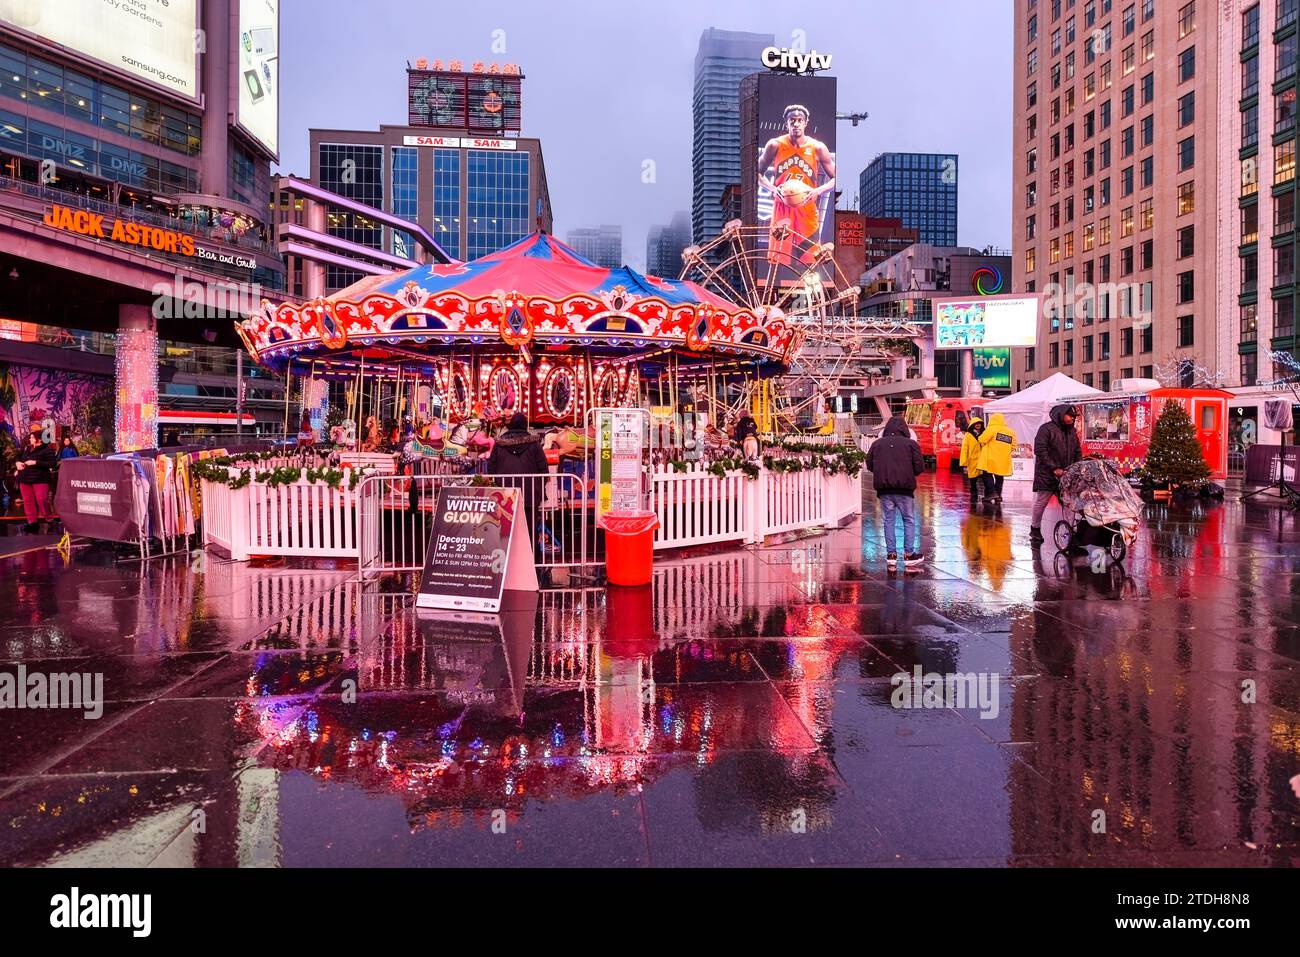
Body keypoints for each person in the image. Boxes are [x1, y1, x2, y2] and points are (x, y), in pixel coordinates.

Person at [757, 104, 836, 265]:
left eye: (800, 120)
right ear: (786, 122)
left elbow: (836, 177)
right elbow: (755, 173)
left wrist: (818, 191)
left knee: (811, 259)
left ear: (806, 122)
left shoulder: (817, 147)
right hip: (782, 204)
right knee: (777, 260)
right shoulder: (775, 144)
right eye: (792, 120)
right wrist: (771, 188)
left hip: (806, 204)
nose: (796, 124)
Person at [864, 416, 926, 571]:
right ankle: (909, 554)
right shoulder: (911, 444)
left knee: (888, 521)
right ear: (905, 429)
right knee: (909, 520)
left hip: (885, 490)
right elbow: (919, 467)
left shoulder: (877, 444)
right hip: (905, 489)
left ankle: (891, 555)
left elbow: (869, 464)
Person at [1029, 404, 1083, 544]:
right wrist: (1054, 468)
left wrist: (1078, 467)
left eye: (1074, 417)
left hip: (1066, 474)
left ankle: (1071, 532)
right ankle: (1035, 529)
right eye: (1070, 416)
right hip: (1047, 474)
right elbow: (1040, 450)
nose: (1072, 419)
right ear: (1061, 414)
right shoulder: (1046, 429)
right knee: (1041, 502)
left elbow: (1077, 450)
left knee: (1069, 504)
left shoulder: (1072, 432)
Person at [14, 430, 57, 532]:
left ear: (40, 440)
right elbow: (17, 457)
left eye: (32, 437)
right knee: (28, 501)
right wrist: (17, 463)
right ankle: (32, 522)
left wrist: (35, 462)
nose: (30, 439)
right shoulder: (26, 448)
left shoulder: (47, 450)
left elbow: (52, 463)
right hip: (24, 478)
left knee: (42, 499)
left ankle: (49, 519)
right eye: (30, 437)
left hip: (40, 479)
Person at [978, 412, 1017, 505]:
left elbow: (982, 439)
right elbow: (1014, 445)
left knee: (986, 474)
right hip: (1003, 459)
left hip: (990, 457)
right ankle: (998, 495)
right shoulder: (1010, 431)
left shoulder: (992, 428)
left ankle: (991, 493)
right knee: (999, 476)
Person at [959, 417, 988, 507]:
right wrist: (964, 462)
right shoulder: (968, 435)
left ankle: (987, 494)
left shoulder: (985, 433)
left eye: (979, 423)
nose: (978, 425)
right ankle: (974, 493)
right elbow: (964, 449)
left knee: (985, 478)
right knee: (973, 479)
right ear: (973, 425)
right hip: (973, 461)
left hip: (983, 460)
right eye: (976, 423)